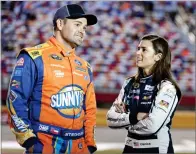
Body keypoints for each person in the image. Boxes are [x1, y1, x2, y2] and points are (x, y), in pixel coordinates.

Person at [6, 4, 98, 154]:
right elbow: (16, 99)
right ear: (60, 24)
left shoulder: (85, 66)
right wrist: (29, 141)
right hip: (44, 144)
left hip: (79, 147)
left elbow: (90, 109)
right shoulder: (33, 57)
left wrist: (89, 144)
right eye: (77, 24)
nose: (82, 31)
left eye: (85, 27)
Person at [107, 34, 181, 153]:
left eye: (144, 50)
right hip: (129, 148)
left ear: (158, 56)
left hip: (155, 149)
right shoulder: (129, 83)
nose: (137, 53)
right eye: (138, 49)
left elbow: (152, 126)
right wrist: (135, 117)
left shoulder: (166, 87)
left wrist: (125, 120)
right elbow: (110, 119)